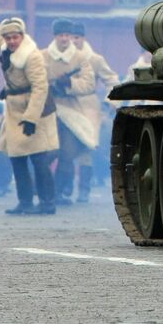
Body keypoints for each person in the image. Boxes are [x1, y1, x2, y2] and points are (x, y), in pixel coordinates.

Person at [0, 7, 59, 215]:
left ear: (22, 36)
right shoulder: (6, 46)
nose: (11, 41)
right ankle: (25, 202)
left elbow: (40, 88)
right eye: (8, 38)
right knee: (17, 158)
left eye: (15, 37)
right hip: (14, 109)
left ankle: (48, 203)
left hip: (34, 109)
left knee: (39, 159)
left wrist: (31, 118)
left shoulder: (32, 56)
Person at [42, 19, 97, 206]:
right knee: (45, 152)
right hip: (48, 111)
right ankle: (41, 189)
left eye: (67, 35)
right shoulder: (43, 57)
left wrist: (69, 84)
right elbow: (36, 80)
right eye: (60, 35)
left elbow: (89, 84)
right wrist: (51, 85)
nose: (64, 38)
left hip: (72, 113)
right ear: (55, 36)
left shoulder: (81, 58)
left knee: (67, 153)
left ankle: (57, 193)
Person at [72, 21, 115, 202]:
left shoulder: (95, 59)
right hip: (66, 105)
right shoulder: (59, 59)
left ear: (83, 38)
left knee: (86, 149)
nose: (74, 41)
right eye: (71, 37)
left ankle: (83, 190)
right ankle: (64, 189)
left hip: (88, 108)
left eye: (77, 37)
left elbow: (111, 79)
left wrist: (107, 103)